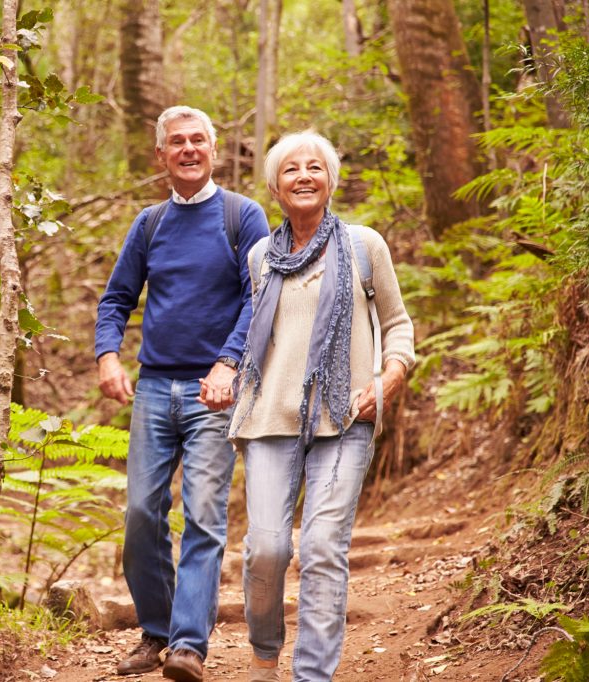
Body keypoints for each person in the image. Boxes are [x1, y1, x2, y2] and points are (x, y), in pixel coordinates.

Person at [228, 130, 415, 681]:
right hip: (268, 418)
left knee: (323, 547)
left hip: (344, 417)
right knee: (265, 549)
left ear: (331, 180)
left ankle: (313, 675)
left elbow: (399, 325)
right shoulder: (262, 254)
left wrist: (391, 375)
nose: (304, 176)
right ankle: (265, 655)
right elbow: (257, 334)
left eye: (315, 167)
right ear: (274, 187)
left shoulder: (363, 246)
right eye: (291, 169)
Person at [95, 105, 269, 682]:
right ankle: (157, 631)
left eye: (199, 140)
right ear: (161, 154)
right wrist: (107, 357)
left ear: (213, 149)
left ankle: (189, 644)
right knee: (142, 513)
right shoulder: (149, 223)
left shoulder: (242, 216)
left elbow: (259, 297)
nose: (189, 149)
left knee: (205, 515)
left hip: (213, 392)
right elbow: (116, 299)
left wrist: (228, 363)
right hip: (152, 389)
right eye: (178, 142)